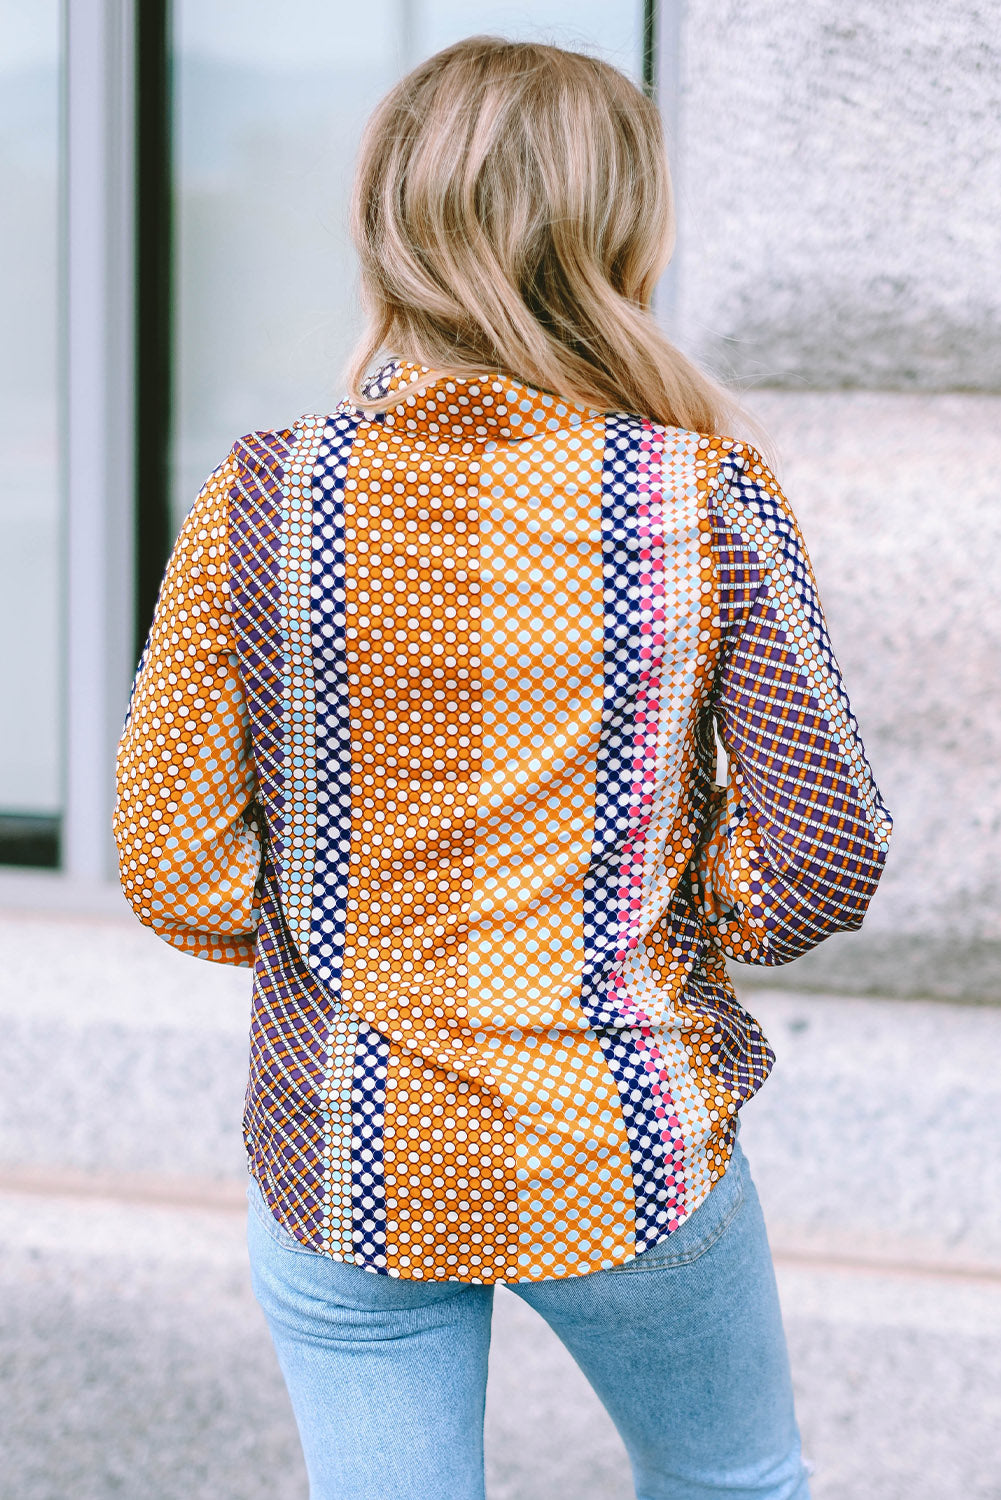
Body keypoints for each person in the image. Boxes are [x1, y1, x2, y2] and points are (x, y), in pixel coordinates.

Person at [113, 35, 892, 1500]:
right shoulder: (701, 495)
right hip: (616, 1129)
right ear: (624, 229)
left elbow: (173, 873)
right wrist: (646, 924)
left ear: (388, 223)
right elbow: (826, 851)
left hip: (346, 1142)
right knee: (732, 1483)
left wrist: (351, 929)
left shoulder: (262, 497)